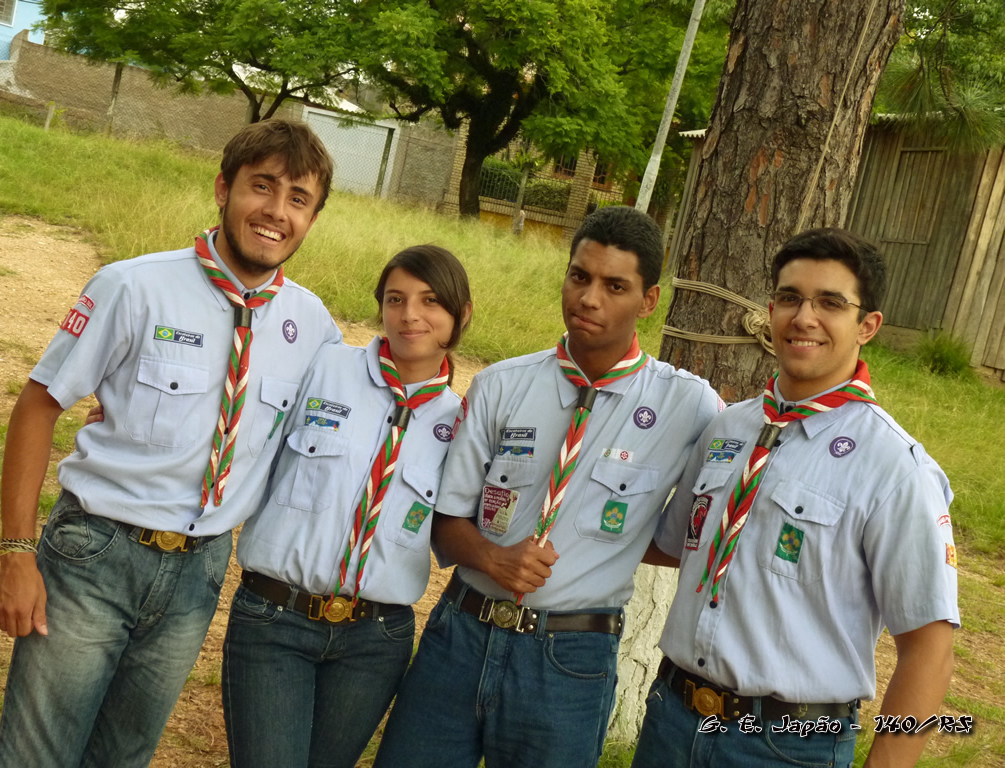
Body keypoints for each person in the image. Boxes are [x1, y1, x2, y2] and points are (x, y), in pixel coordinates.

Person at [0, 118, 342, 767]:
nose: (277, 211)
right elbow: (38, 406)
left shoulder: (313, 326)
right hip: (95, 554)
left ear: (313, 218)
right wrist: (15, 553)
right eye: (262, 186)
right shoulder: (133, 286)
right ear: (223, 188)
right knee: (37, 756)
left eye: (298, 198)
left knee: (124, 756)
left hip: (197, 576)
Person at [373, 206, 723, 768]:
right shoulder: (501, 385)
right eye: (579, 276)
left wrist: (610, 550)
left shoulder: (689, 405)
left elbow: (686, 536)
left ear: (649, 300)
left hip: (570, 661)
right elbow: (448, 517)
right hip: (460, 637)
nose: (589, 298)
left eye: (615, 286)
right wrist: (494, 558)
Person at [632, 228, 958, 768]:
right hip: (673, 720)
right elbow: (672, 544)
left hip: (785, 746)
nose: (804, 317)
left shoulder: (896, 468)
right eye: (790, 298)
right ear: (770, 312)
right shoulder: (727, 428)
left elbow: (930, 648)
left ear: (868, 325)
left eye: (831, 303)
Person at [221, 245, 472, 768]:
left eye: (430, 301)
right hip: (276, 619)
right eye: (395, 299)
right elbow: (245, 422)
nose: (409, 315)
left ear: (461, 314)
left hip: (375, 641)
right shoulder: (324, 366)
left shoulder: (464, 425)